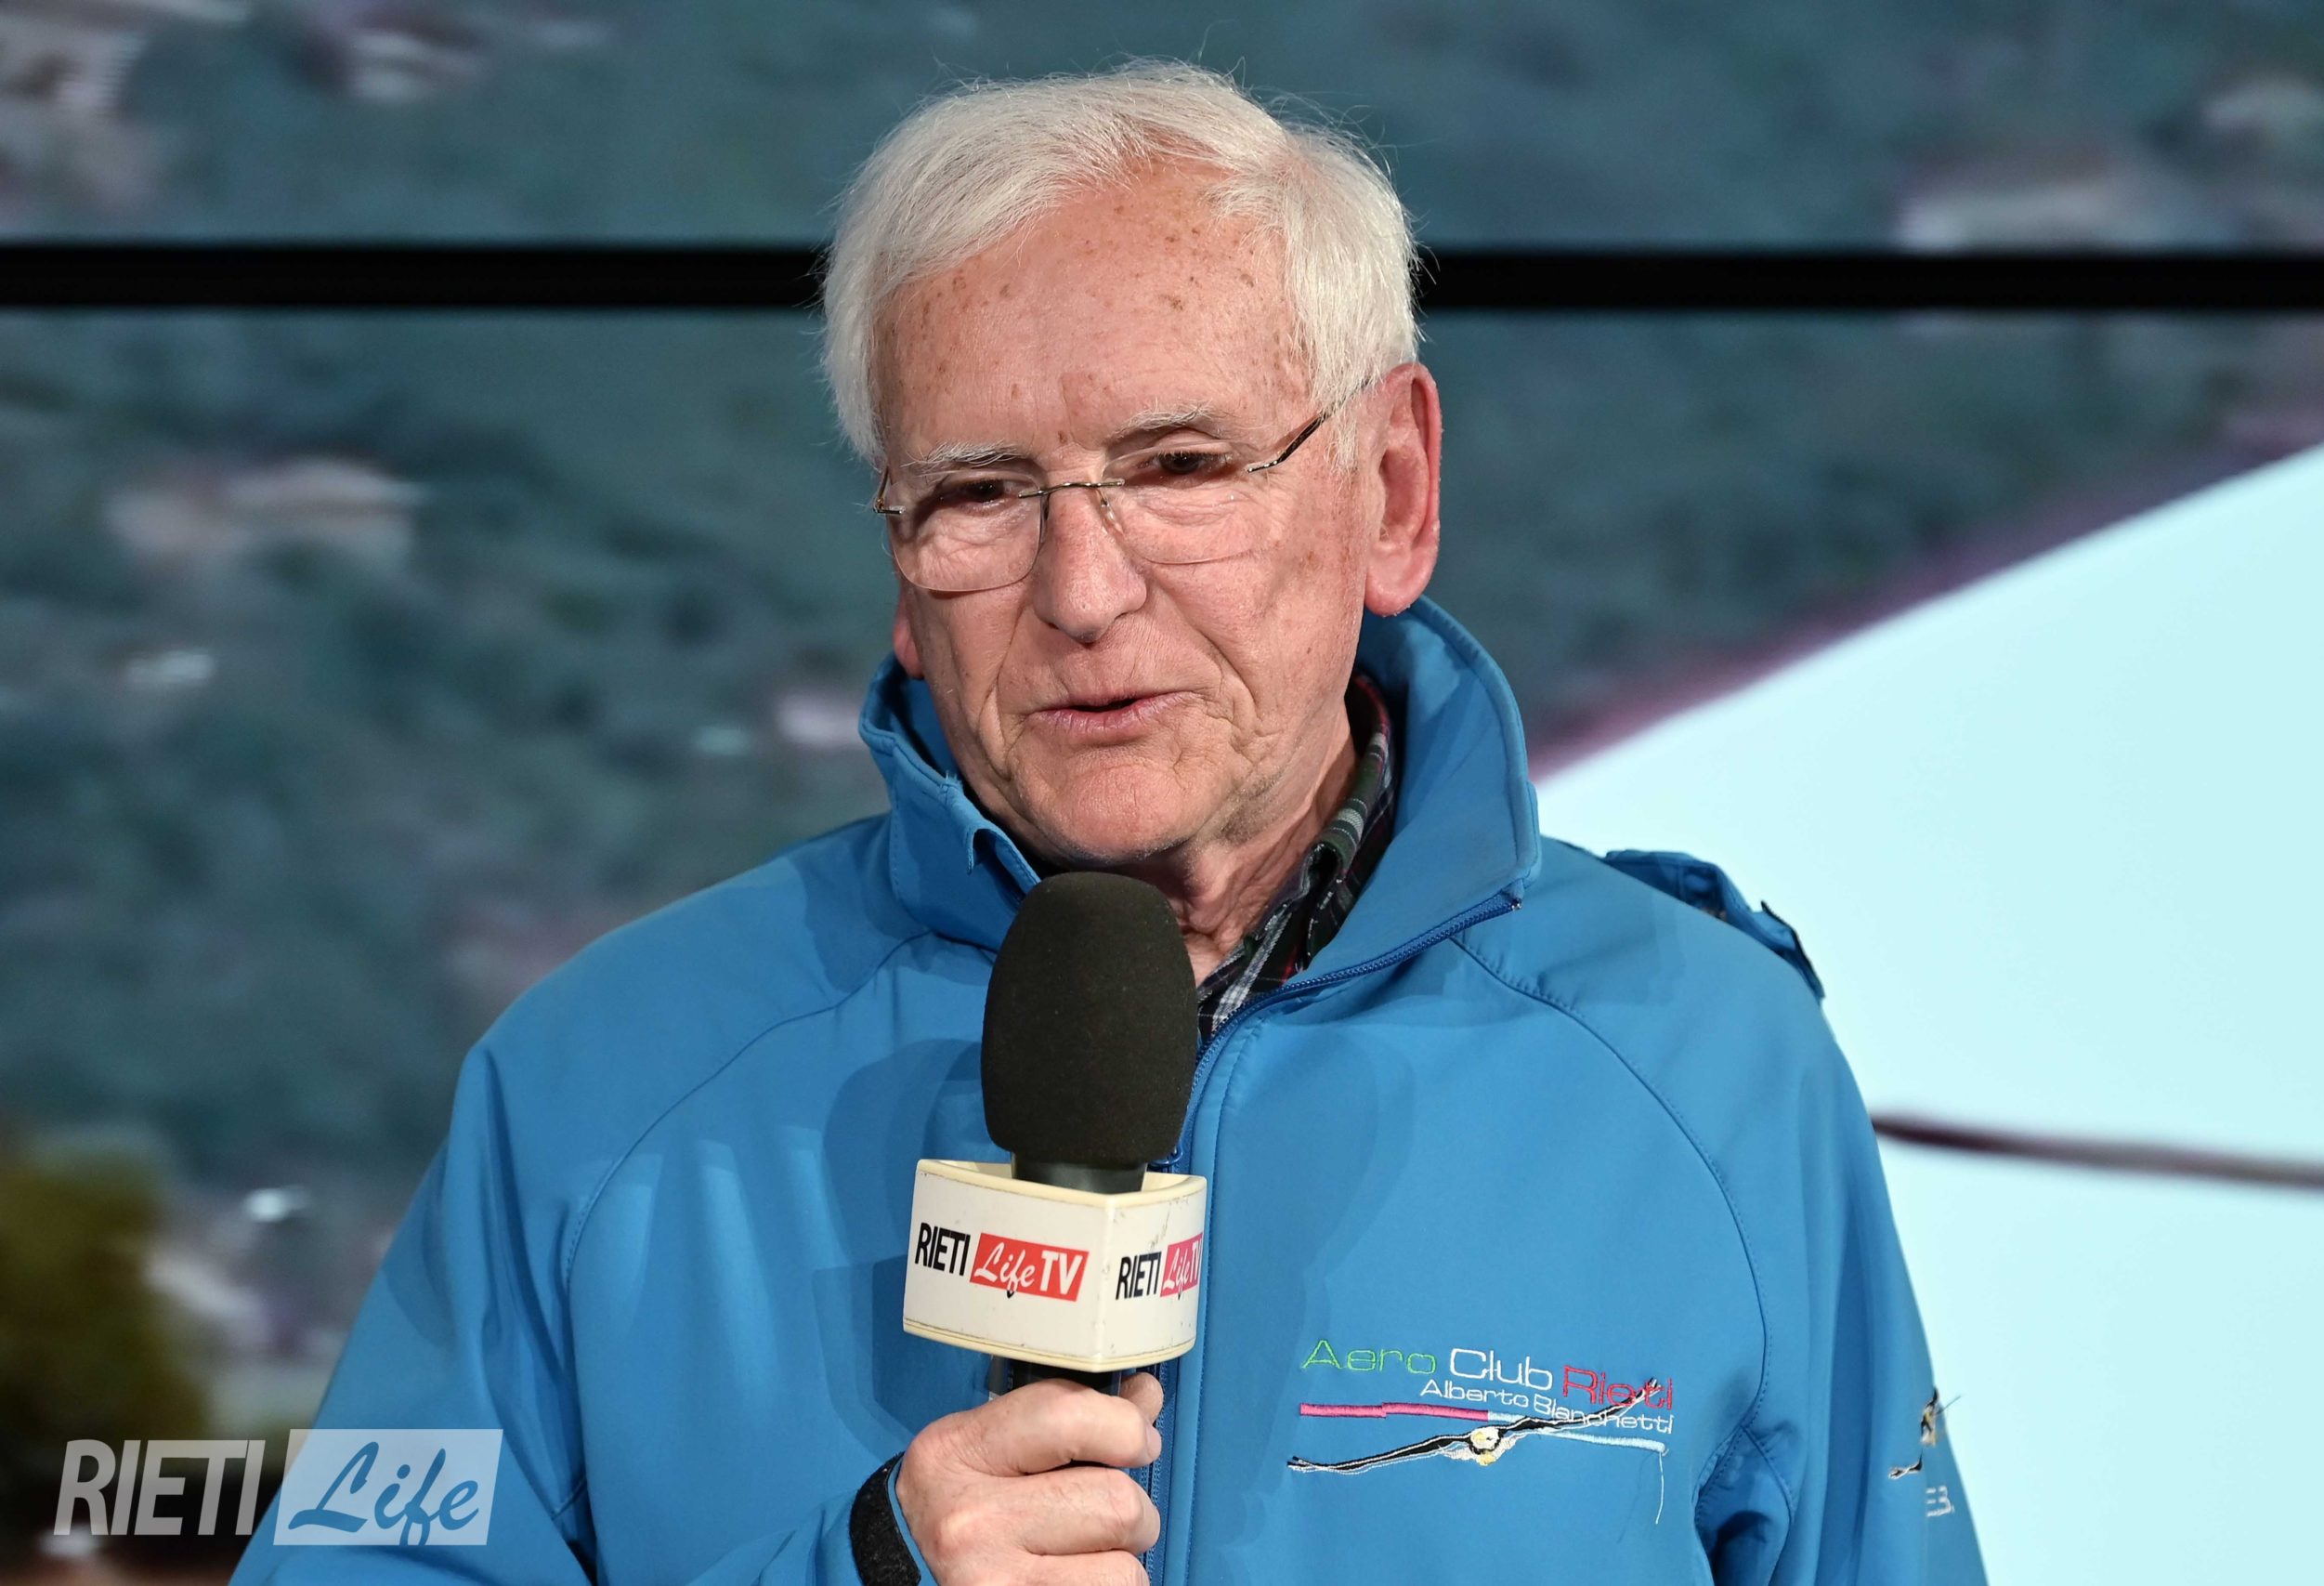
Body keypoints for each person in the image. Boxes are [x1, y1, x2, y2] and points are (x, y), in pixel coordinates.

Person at [230, 61, 1985, 1586]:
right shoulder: (594, 1088)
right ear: (901, 571)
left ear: (1390, 491)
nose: (1083, 591)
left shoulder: (1708, 1065)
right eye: (980, 493)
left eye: (1180, 469)